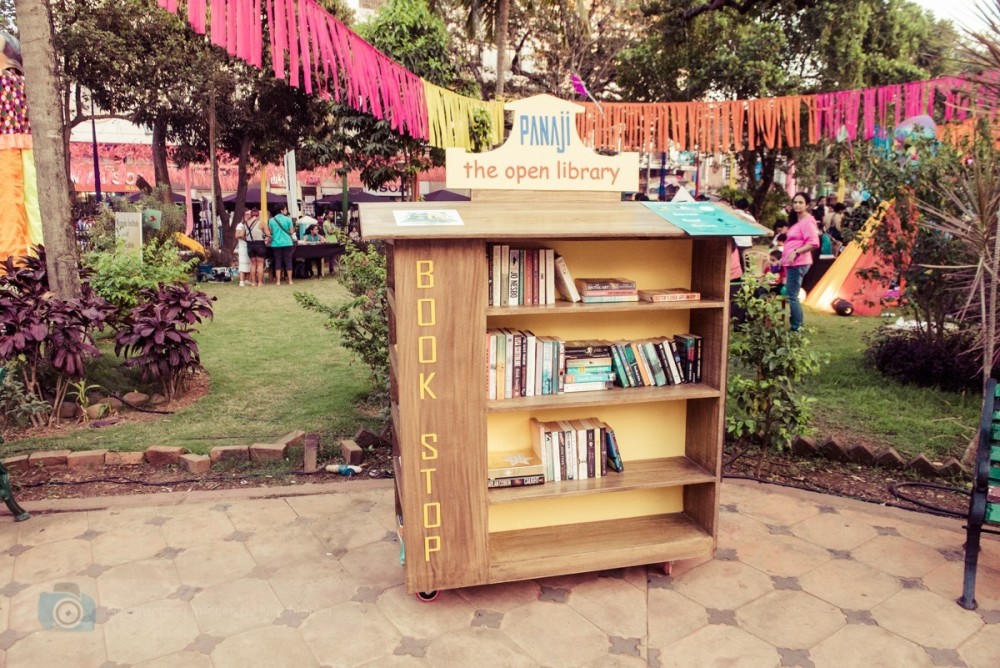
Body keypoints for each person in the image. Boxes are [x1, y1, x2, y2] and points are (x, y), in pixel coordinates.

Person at [781, 192, 820, 331]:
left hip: (799, 262)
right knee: (791, 295)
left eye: (801, 202)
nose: (797, 205)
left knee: (792, 295)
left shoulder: (807, 221)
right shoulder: (797, 221)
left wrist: (796, 252)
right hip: (792, 263)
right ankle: (795, 323)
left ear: (807, 205)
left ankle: (797, 326)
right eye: (795, 202)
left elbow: (814, 243)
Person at [268, 205, 297, 286]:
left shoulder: (271, 220)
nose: (286, 211)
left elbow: (270, 232)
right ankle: (290, 280)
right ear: (281, 210)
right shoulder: (288, 219)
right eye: (285, 209)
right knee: (288, 261)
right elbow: (291, 232)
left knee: (278, 261)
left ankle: (278, 281)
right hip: (287, 243)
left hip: (276, 243)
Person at [244, 208, 267, 287]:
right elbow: (268, 233)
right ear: (258, 215)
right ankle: (260, 282)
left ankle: (253, 282)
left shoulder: (246, 223)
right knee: (260, 264)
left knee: (253, 264)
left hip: (250, 244)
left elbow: (243, 234)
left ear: (251, 215)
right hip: (259, 244)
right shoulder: (261, 223)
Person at [234, 210, 252, 287]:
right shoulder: (240, 225)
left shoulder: (251, 224)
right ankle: (241, 280)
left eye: (249, 214)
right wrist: (244, 238)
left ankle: (247, 279)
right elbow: (236, 235)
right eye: (246, 214)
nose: (248, 216)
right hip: (242, 246)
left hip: (250, 246)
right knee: (242, 263)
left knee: (249, 263)